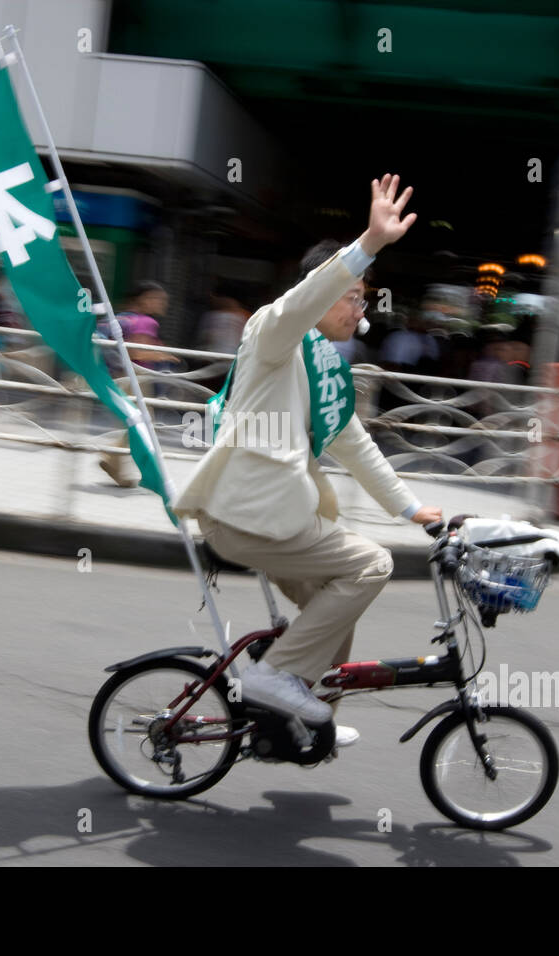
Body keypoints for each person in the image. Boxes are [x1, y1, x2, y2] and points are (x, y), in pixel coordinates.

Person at [172, 174, 443, 744]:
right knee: (371, 565)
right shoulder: (274, 333)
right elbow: (305, 300)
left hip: (274, 519)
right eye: (353, 296)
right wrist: (368, 242)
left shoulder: (324, 372)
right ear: (322, 291)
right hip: (250, 516)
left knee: (333, 607)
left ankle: (295, 728)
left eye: (364, 298)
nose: (359, 310)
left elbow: (355, 445)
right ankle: (273, 676)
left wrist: (412, 509)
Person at [98, 280, 180, 487]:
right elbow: (136, 352)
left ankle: (115, 463)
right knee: (143, 424)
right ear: (144, 299)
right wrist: (163, 356)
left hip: (118, 375)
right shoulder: (146, 322)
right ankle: (111, 456)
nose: (163, 304)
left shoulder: (123, 318)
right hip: (136, 377)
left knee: (136, 423)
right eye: (159, 299)